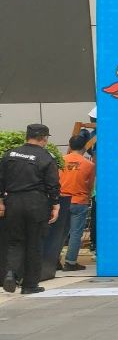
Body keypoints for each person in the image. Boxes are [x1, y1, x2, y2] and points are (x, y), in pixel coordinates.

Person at [0, 125, 62, 295]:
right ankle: (29, 285)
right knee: (34, 243)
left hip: (13, 201)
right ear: (44, 138)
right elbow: (53, 184)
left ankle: (11, 273)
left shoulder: (10, 154)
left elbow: (0, 179)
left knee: (15, 241)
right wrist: (55, 205)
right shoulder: (46, 157)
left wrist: (1, 201)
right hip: (36, 203)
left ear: (27, 136)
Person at [59, 133, 95, 271]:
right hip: (79, 201)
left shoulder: (61, 161)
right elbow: (90, 185)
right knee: (75, 233)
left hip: (62, 200)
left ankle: (54, 260)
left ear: (70, 145)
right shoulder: (89, 165)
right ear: (84, 147)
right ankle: (70, 262)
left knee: (60, 233)